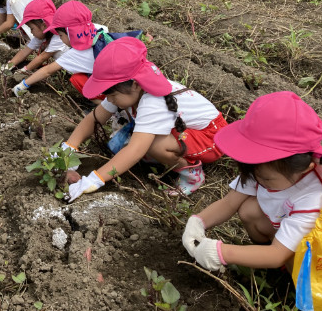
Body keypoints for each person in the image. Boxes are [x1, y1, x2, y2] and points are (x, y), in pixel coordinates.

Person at [182, 91, 322, 269]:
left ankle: (287, 284)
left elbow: (277, 255)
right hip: (284, 235)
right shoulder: (265, 165)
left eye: (266, 179)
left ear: (306, 168)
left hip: (319, 261)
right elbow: (230, 203)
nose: (258, 180)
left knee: (292, 259)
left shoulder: (315, 196)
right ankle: (263, 261)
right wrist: (198, 221)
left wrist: (222, 252)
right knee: (250, 209)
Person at [63, 37, 226, 201]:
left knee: (155, 145)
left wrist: (93, 180)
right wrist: (69, 148)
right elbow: (95, 117)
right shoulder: (129, 90)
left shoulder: (153, 102)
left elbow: (135, 151)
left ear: (134, 84)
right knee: (134, 143)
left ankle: (191, 174)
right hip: (183, 129)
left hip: (212, 136)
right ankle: (163, 155)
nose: (109, 99)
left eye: (112, 95)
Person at [11, 1, 107, 99]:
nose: (60, 38)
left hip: (112, 86)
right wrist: (8, 66)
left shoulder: (75, 52)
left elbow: (47, 69)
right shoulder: (97, 33)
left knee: (78, 80)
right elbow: (25, 51)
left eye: (61, 35)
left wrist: (23, 84)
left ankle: (106, 106)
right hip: (114, 81)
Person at [7, 0, 70, 72]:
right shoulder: (43, 34)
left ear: (43, 26)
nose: (31, 32)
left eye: (31, 28)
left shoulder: (59, 37)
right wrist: (6, 67)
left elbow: (42, 58)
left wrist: (23, 71)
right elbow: (24, 52)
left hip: (75, 72)